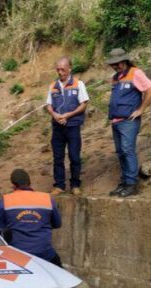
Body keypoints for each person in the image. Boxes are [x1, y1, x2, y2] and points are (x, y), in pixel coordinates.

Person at [105, 48, 151, 198]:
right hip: (116, 120)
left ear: (124, 60)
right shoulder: (115, 77)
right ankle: (124, 183)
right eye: (113, 64)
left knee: (127, 150)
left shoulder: (136, 73)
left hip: (129, 121)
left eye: (118, 63)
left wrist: (141, 109)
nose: (115, 66)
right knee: (121, 152)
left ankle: (131, 184)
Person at [0, 169, 64, 267]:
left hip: (17, 254)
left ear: (14, 185)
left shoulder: (6, 200)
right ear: (30, 183)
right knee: (60, 276)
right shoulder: (47, 198)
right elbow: (57, 224)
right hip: (45, 254)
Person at [46, 57, 90, 197]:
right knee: (57, 157)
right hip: (57, 127)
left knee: (74, 156)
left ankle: (75, 185)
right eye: (58, 69)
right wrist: (54, 115)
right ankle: (59, 185)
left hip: (72, 126)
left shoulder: (78, 84)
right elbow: (48, 105)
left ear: (69, 68)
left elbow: (83, 104)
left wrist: (68, 115)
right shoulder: (53, 86)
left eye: (63, 69)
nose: (60, 72)